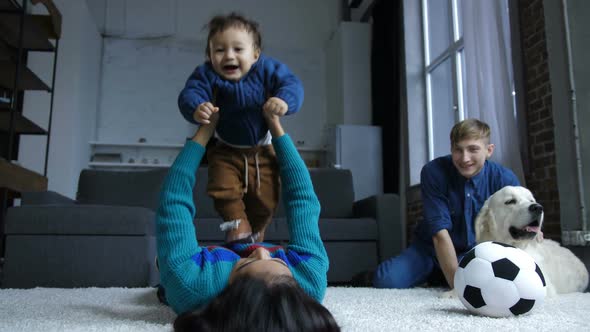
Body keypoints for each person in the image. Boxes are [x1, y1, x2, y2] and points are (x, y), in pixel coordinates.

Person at [156, 107, 339, 331]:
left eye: (247, 264)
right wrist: (276, 128)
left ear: (229, 294)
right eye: (277, 262)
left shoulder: (190, 283)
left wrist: (204, 133)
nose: (262, 251)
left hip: (205, 264)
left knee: (169, 270)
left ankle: (164, 265)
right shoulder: (309, 279)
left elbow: (173, 202)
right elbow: (303, 201)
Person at [177, 12, 304, 244]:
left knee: (267, 200)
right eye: (219, 50)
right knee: (223, 189)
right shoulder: (206, 75)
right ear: (209, 55)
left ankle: (256, 232)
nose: (229, 56)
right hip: (226, 149)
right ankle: (236, 223)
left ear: (255, 54)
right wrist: (197, 107)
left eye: (238, 49)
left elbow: (291, 83)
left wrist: (284, 101)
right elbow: (190, 93)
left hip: (263, 150)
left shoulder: (267, 70)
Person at [372, 118, 520, 289]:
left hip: (476, 253)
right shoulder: (433, 172)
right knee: (386, 280)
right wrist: (459, 290)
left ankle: (440, 275)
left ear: (489, 150)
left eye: (473, 149)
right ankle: (439, 272)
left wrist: (535, 229)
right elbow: (439, 234)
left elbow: (521, 218)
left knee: (492, 285)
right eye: (458, 150)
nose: (465, 158)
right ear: (451, 149)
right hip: (429, 249)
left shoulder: (504, 179)